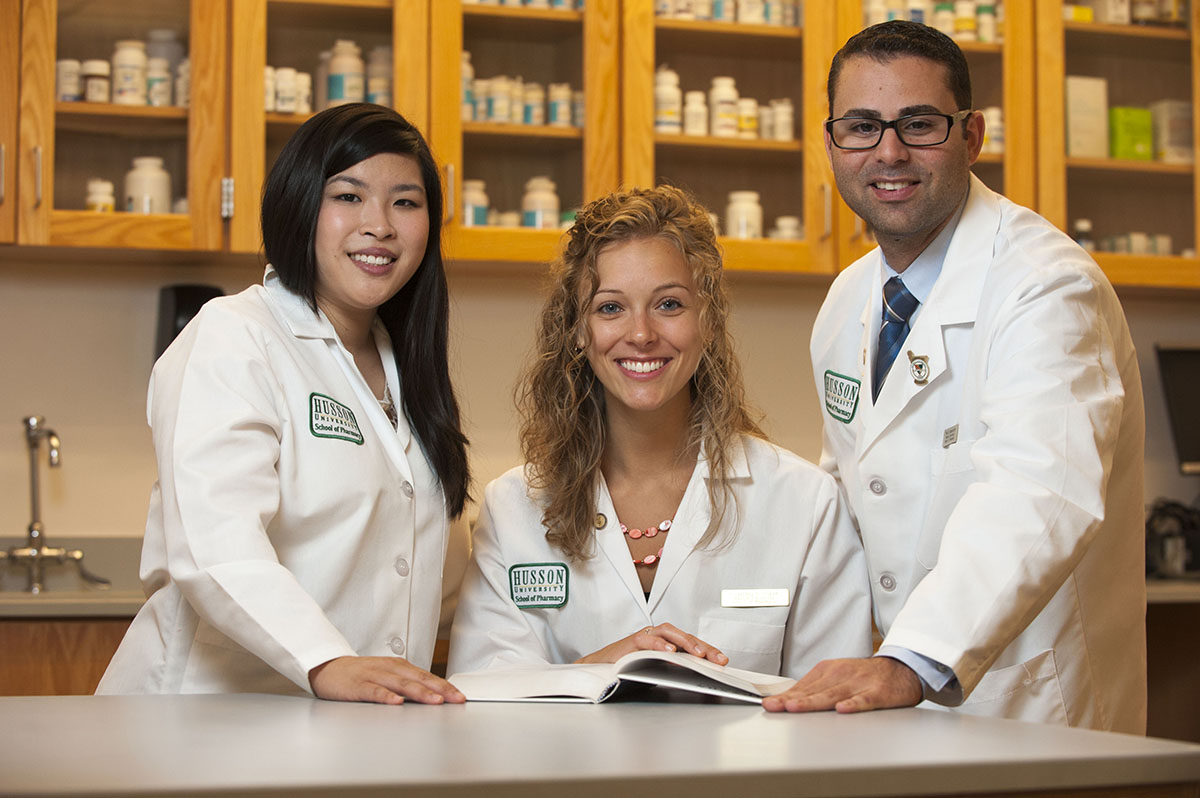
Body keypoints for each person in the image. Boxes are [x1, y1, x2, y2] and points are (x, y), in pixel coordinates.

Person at [763, 21, 1146, 733]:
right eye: (861, 127)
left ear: (971, 136)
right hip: (890, 699)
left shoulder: (1045, 285)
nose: (888, 152)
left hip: (1027, 705)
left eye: (918, 124)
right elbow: (845, 495)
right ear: (830, 144)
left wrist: (910, 660)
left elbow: (1041, 488)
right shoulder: (849, 299)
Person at [97, 104, 471, 705]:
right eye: (348, 196)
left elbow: (427, 571)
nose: (379, 225)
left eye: (406, 202)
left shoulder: (408, 368)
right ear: (298, 206)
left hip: (351, 729)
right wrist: (326, 661)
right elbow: (216, 544)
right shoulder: (235, 334)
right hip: (206, 720)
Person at [447, 185, 871, 677]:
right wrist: (597, 669)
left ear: (707, 321)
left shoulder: (804, 502)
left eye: (669, 304)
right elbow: (483, 698)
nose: (642, 333)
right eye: (610, 308)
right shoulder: (513, 508)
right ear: (579, 331)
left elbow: (831, 703)